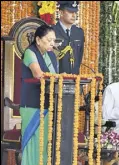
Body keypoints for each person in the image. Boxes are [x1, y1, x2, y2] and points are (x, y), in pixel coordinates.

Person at [20, 24, 58, 165]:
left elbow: (56, 78)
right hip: (31, 105)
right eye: (49, 40)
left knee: (44, 146)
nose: (52, 44)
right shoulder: (30, 52)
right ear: (38, 40)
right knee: (33, 143)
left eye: (54, 41)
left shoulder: (51, 56)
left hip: (47, 105)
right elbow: (38, 74)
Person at [53, 1, 84, 74]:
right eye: (70, 12)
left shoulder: (79, 32)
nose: (74, 15)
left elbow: (79, 57)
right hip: (55, 80)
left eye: (75, 12)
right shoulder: (51, 31)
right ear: (61, 13)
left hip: (75, 80)